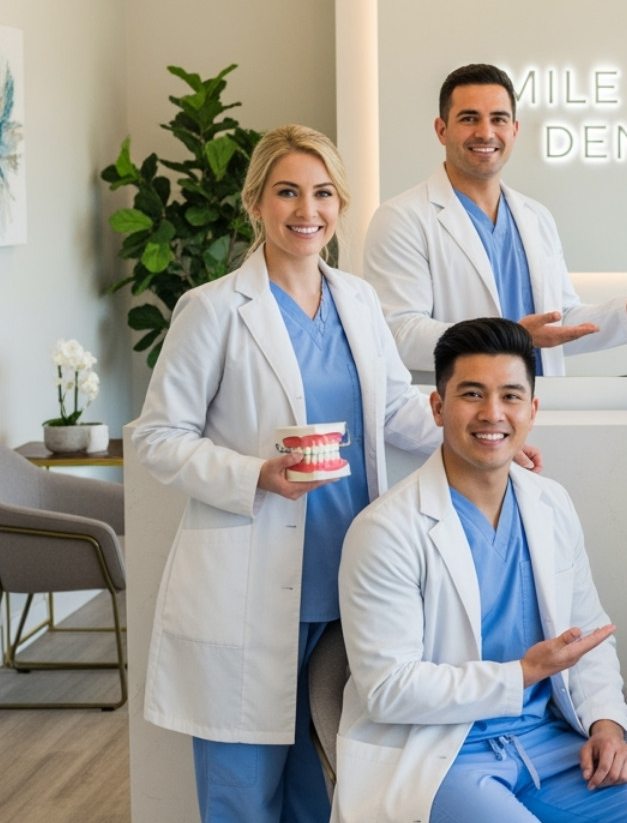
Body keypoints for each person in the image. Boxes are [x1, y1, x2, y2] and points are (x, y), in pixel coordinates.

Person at [132, 125, 441, 823]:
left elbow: (394, 408)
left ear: (342, 203)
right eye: (288, 192)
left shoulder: (359, 302)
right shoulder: (211, 310)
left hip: (346, 588)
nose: (308, 209)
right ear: (256, 203)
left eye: (324, 193)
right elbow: (156, 438)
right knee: (241, 796)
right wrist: (255, 475)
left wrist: (478, 434)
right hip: (249, 584)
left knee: (323, 789)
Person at [332, 317, 627, 823]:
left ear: (532, 410)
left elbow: (589, 634)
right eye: (472, 394)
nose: (493, 413)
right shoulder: (385, 530)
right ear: (438, 407)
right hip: (443, 754)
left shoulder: (551, 504)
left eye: (510, 396)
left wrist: (606, 726)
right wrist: (522, 674)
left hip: (548, 742)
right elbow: (388, 689)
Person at [364, 63, 627, 380]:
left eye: (498, 119)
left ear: (514, 130)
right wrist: (511, 337)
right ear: (442, 130)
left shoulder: (536, 217)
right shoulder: (402, 219)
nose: (486, 133)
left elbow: (558, 325)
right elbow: (399, 333)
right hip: (458, 414)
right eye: (469, 118)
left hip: (537, 406)